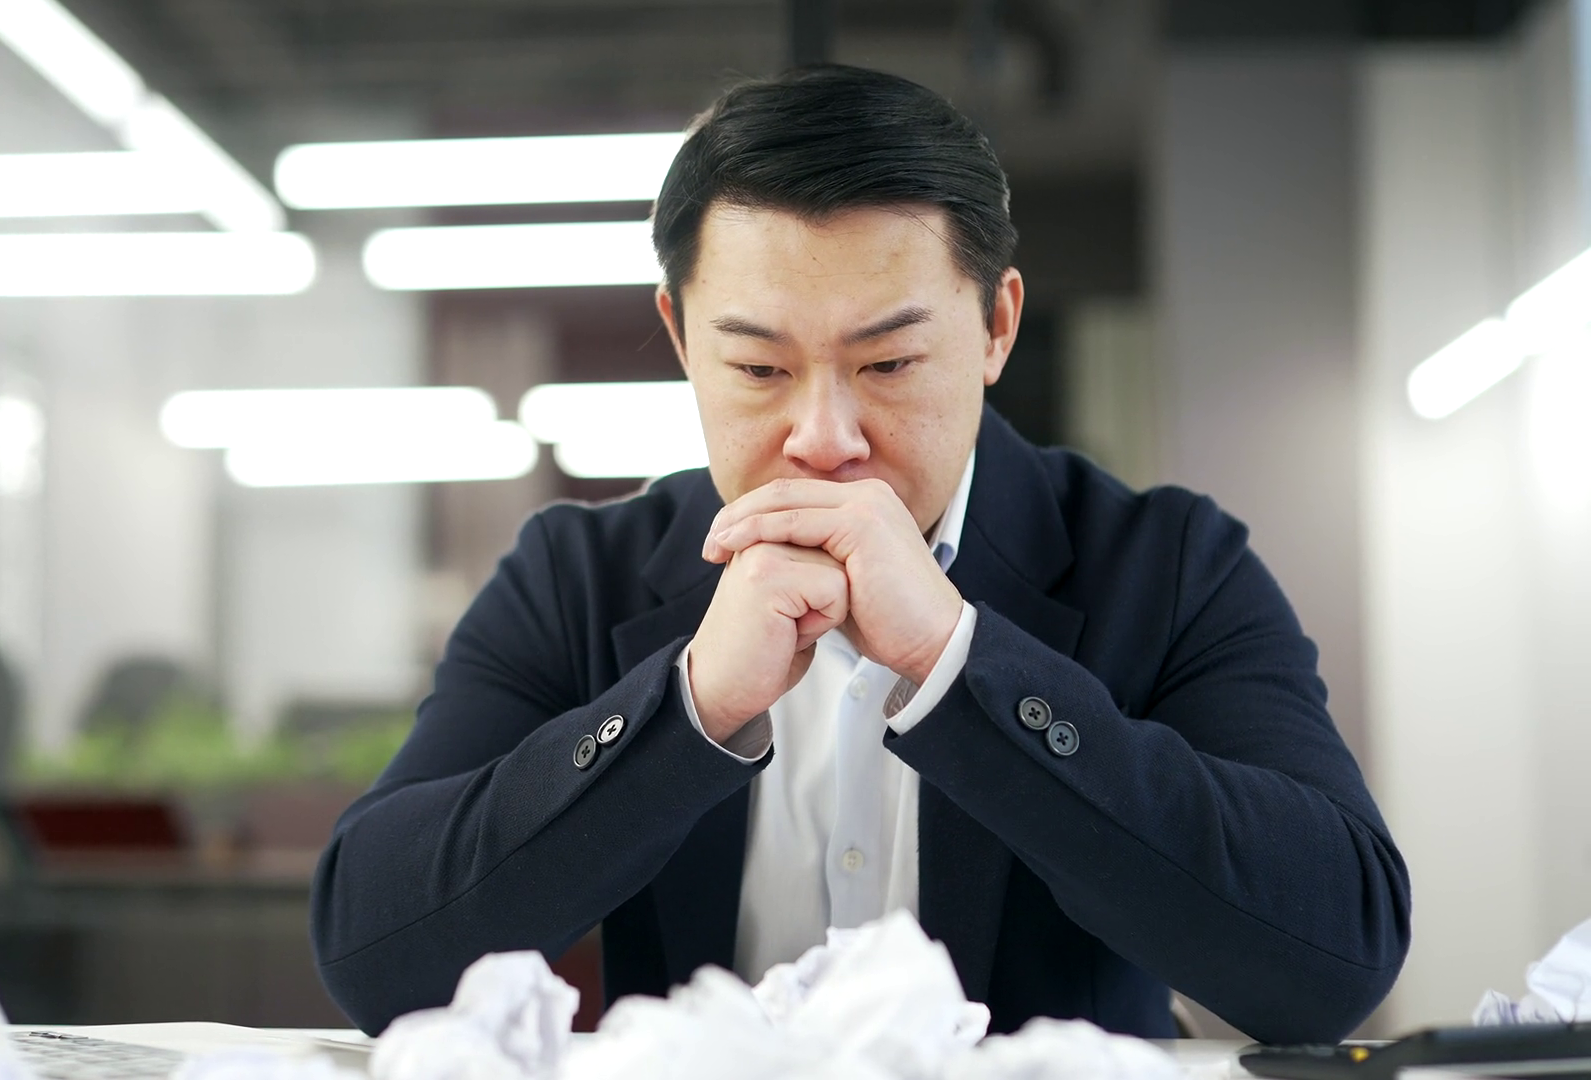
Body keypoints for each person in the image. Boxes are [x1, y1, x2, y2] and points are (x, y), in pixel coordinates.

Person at [311, 64, 1410, 1043]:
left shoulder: (1165, 565)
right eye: (758, 370)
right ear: (681, 335)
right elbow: (375, 957)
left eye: (887, 365)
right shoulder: (577, 576)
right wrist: (688, 710)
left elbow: (1333, 961)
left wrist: (958, 664)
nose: (823, 439)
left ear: (996, 327)